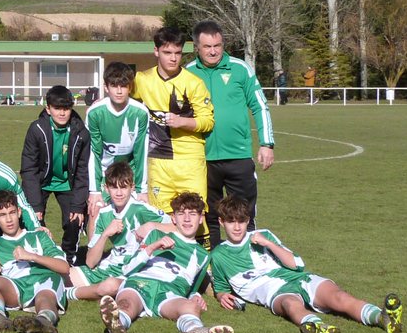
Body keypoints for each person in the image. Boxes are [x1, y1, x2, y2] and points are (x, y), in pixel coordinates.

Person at [210, 197, 403, 333]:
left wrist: (268, 244)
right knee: (290, 304)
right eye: (231, 221)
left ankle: (382, 317)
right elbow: (220, 287)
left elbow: (297, 264)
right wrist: (221, 296)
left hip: (299, 278)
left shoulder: (263, 235)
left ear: (247, 221)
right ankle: (316, 326)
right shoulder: (218, 255)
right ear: (221, 222)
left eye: (241, 221)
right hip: (273, 291)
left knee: (339, 297)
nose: (237, 227)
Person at [96, 192, 233, 333]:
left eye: (193, 214)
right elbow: (127, 269)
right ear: (173, 218)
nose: (187, 219)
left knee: (190, 306)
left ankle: (196, 331)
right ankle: (118, 323)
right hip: (141, 283)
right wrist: (152, 247)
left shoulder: (204, 255)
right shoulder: (156, 235)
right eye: (181, 214)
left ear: (201, 218)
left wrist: (195, 295)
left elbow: (192, 287)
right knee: (127, 304)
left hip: (171, 292)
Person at [185, 20, 275, 244]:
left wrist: (266, 143)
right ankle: (214, 263)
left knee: (243, 216)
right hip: (202, 159)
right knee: (208, 218)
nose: (213, 51)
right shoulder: (187, 73)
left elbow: (260, 105)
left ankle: (248, 261)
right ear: (197, 47)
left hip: (238, 156)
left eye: (217, 45)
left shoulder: (240, 69)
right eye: (207, 47)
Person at [132, 27, 214, 244]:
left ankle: (202, 263)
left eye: (177, 53)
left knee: (195, 217)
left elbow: (208, 121)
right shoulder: (142, 80)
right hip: (158, 161)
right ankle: (165, 261)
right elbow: (122, 97)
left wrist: (182, 122)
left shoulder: (193, 83)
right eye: (167, 52)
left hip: (189, 161)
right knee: (161, 218)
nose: (173, 58)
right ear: (156, 51)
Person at [0, 188, 71, 333]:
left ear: (19, 212)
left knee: (45, 293)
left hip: (44, 280)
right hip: (16, 287)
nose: (8, 219)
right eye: (2, 215)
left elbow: (64, 267)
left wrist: (32, 256)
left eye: (12, 212)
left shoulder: (39, 236)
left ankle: (43, 321)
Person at [66, 162, 168, 304]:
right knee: (63, 275)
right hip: (109, 267)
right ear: (106, 188)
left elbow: (174, 226)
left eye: (124, 187)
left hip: (132, 271)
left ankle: (68, 294)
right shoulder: (104, 214)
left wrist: (151, 225)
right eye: (114, 187)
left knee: (110, 286)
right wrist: (105, 234)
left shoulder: (140, 209)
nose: (119, 193)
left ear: (132, 187)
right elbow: (90, 262)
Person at [20, 84, 91, 265]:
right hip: (41, 181)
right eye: (57, 108)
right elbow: (29, 169)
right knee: (32, 218)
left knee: (74, 219)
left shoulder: (81, 133)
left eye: (66, 108)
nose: (62, 113)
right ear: (48, 109)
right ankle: (41, 257)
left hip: (68, 183)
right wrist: (35, 205)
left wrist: (78, 206)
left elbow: (83, 170)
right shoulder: (37, 129)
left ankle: (68, 258)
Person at [86, 62, 150, 209]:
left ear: (130, 87)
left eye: (124, 86)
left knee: (136, 214)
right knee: (95, 211)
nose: (119, 91)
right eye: (114, 86)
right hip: (104, 174)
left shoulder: (140, 112)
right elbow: (94, 152)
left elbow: (141, 153)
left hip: (129, 174)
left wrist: (142, 190)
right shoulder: (95, 113)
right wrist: (94, 190)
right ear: (106, 87)